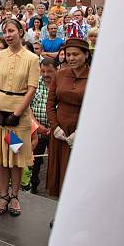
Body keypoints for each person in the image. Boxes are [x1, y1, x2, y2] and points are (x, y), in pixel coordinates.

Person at [0, 18, 39, 217]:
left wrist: (16, 114)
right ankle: (3, 195)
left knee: (15, 157)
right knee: (0, 157)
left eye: (11, 31)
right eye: (4, 31)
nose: (7, 35)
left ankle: (15, 196)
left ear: (21, 32)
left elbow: (31, 89)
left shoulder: (32, 59)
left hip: (18, 119)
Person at [46, 38, 91, 197]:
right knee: (59, 174)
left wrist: (82, 131)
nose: (71, 58)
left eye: (75, 54)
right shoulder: (59, 74)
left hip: (82, 132)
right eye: (68, 55)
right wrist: (54, 126)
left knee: (78, 174)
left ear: (86, 55)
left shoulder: (95, 76)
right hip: (60, 131)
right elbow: (50, 103)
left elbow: (95, 108)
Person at [29, 58, 56, 194]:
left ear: (56, 70)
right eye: (43, 71)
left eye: (50, 71)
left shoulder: (60, 85)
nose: (46, 74)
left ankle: (53, 187)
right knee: (36, 159)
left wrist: (54, 127)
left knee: (54, 159)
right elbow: (28, 108)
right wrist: (37, 125)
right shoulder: (35, 84)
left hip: (55, 131)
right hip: (37, 130)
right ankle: (33, 185)